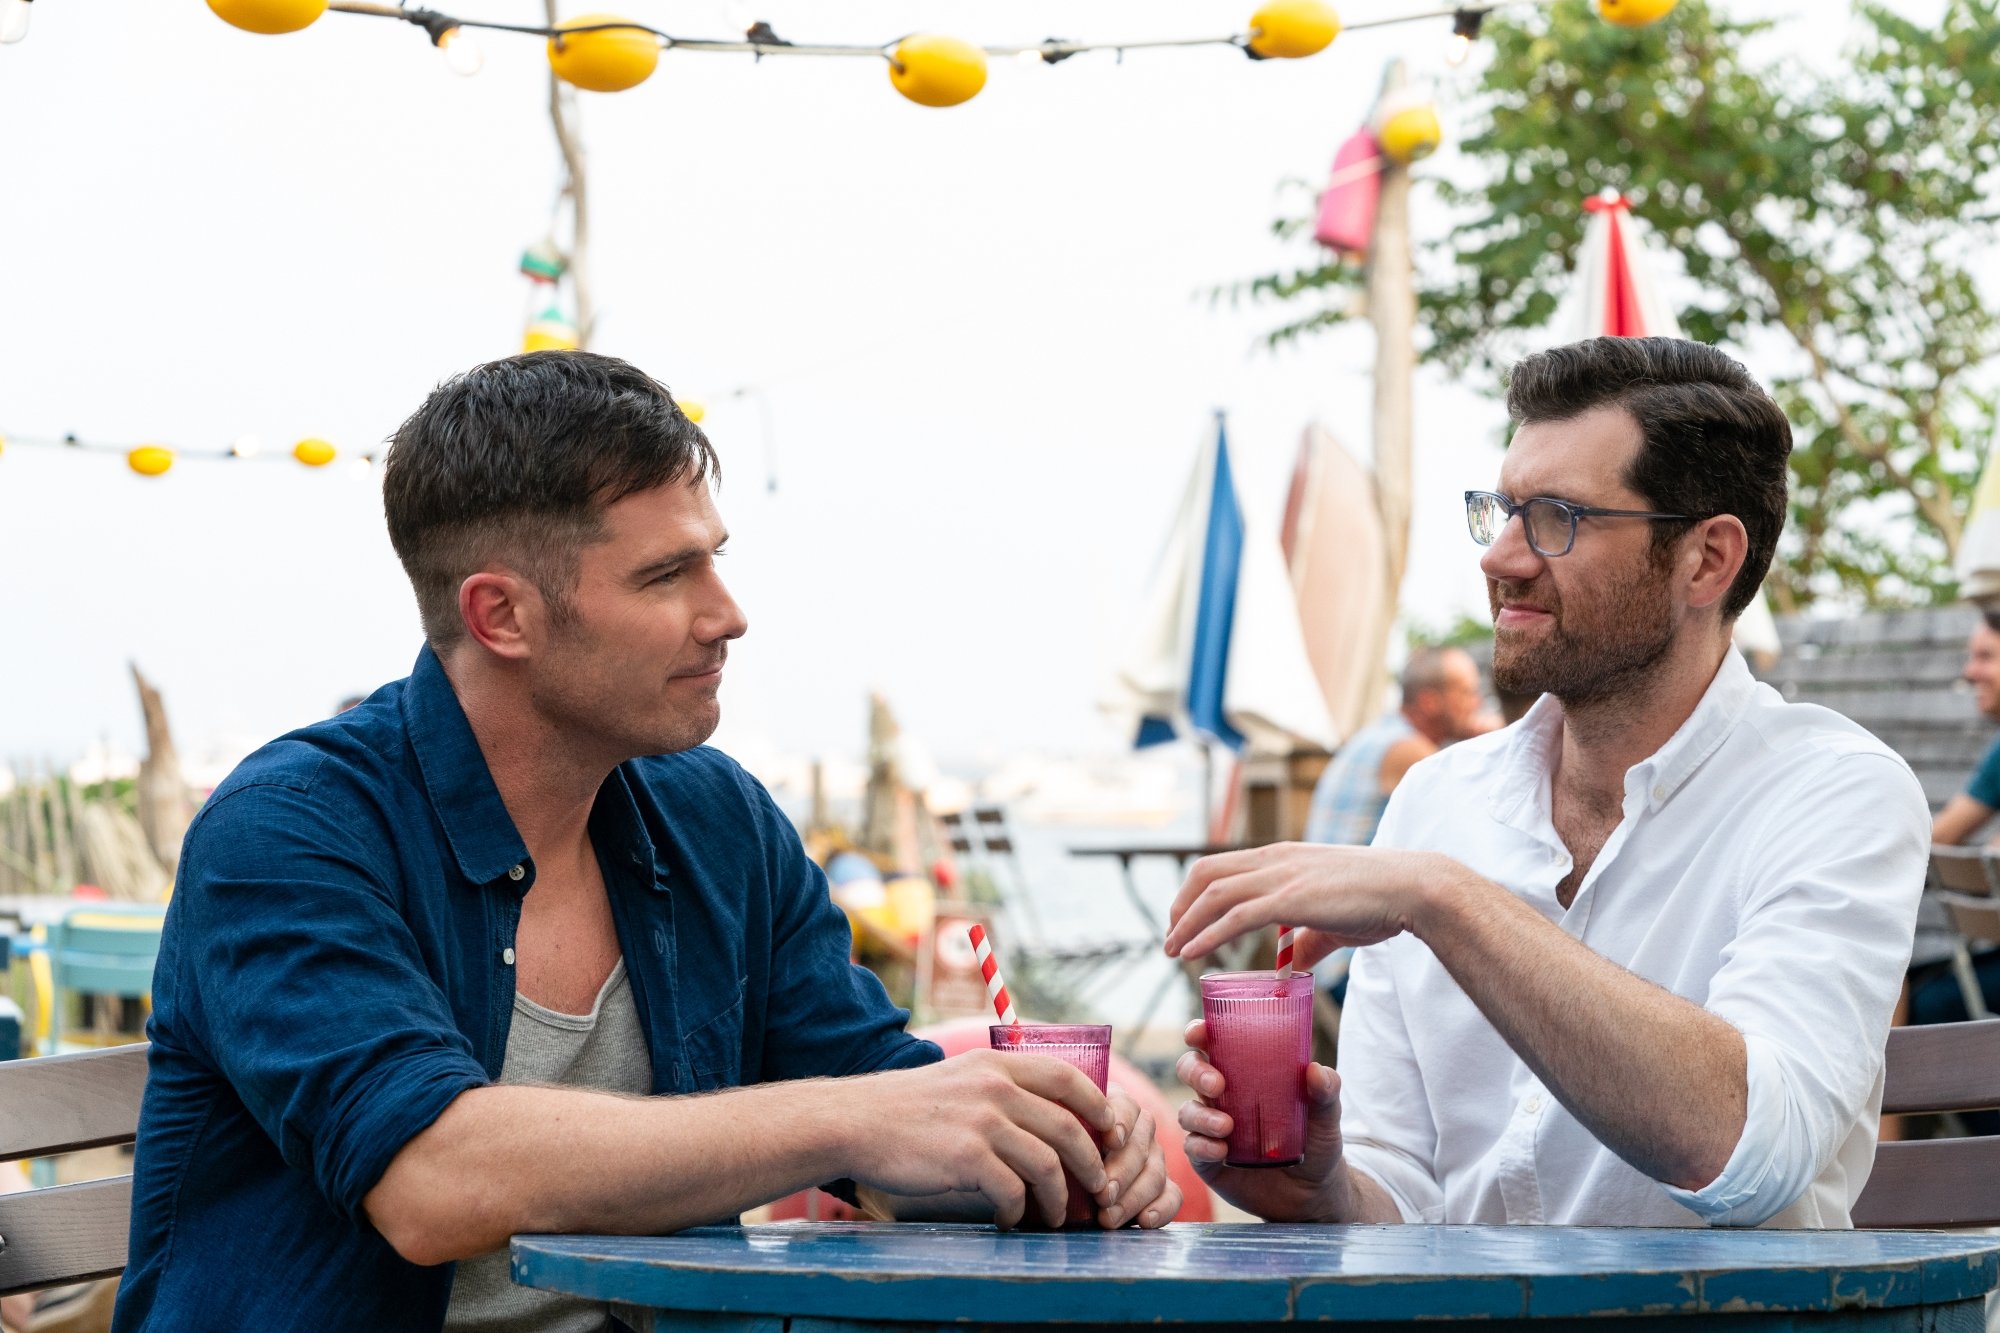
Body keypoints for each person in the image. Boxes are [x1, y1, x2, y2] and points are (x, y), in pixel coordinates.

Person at [113, 353, 1178, 1332]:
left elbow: (879, 1127)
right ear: (502, 615)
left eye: (713, 560)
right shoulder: (289, 830)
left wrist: (1043, 1152)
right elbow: (434, 1182)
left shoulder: (715, 819)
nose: (728, 614)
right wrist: (855, 1118)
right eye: (667, 576)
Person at [1165, 336, 1928, 1230]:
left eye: (1558, 516)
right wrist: (1322, 1191)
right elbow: (1402, 1187)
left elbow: (1750, 1152)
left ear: (1708, 559)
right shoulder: (1438, 800)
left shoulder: (1835, 793)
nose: (1502, 558)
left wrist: (1441, 896)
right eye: (1503, 509)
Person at [1304, 645, 1495, 849]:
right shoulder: (1407, 750)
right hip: (1348, 879)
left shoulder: (1384, 732)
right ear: (1430, 702)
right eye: (1468, 692)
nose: (1478, 703)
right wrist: (1494, 739)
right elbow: (1479, 819)